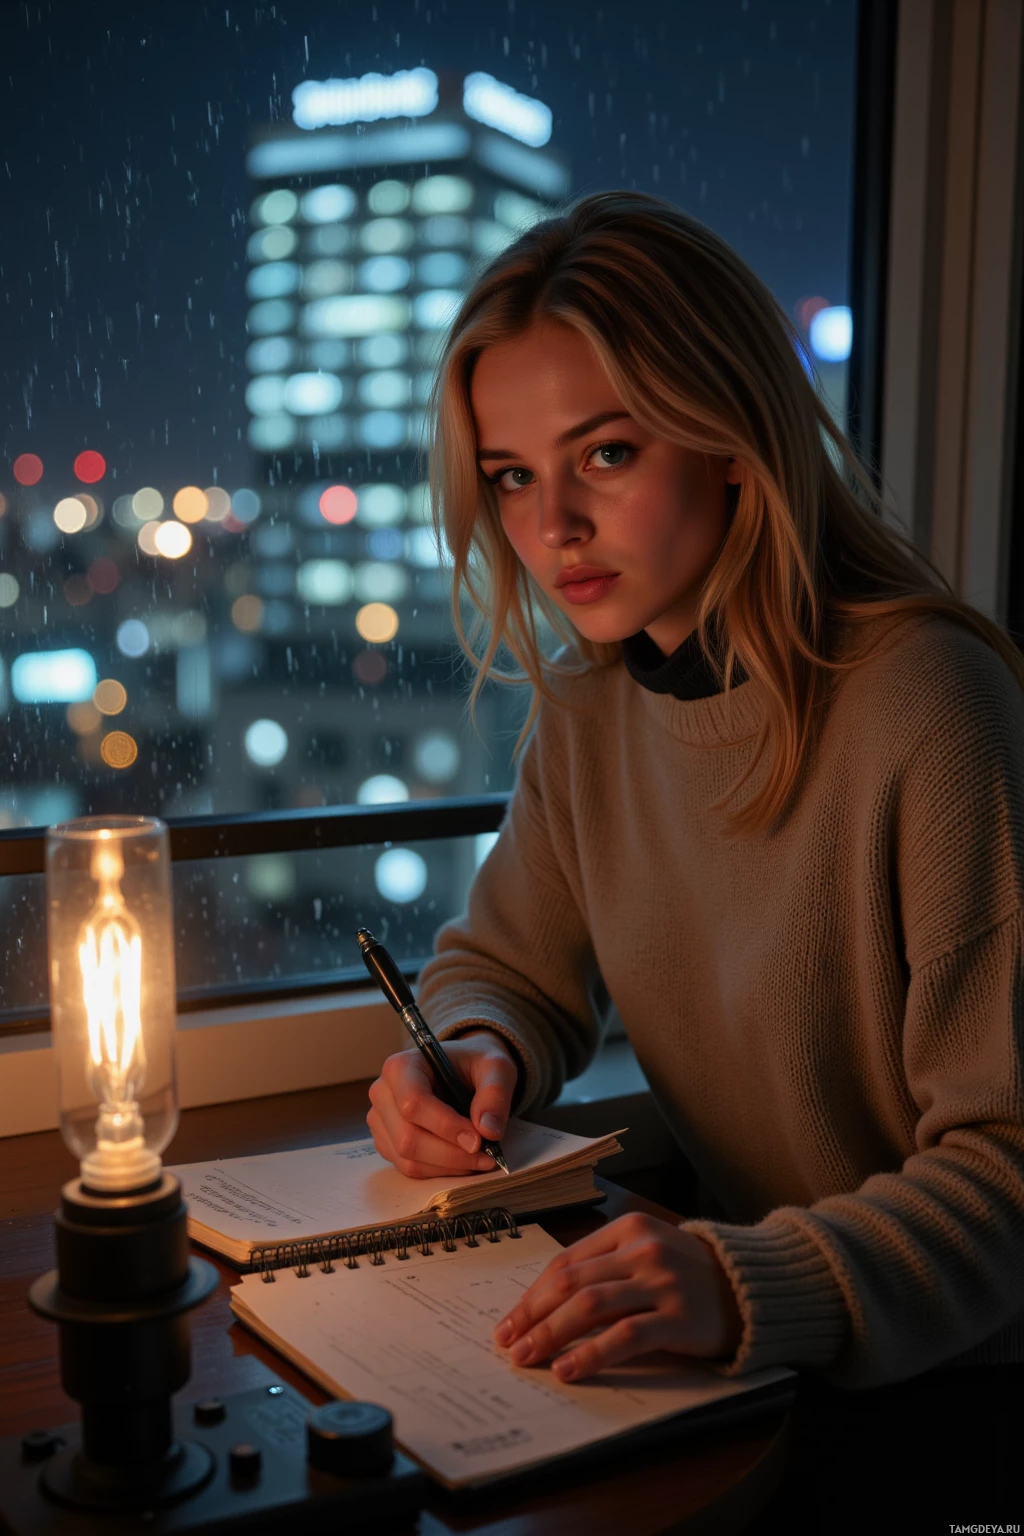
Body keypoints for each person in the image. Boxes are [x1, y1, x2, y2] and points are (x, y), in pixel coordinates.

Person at [365, 190, 1024, 1523]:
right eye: (510, 475)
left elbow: (1012, 1169)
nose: (548, 528)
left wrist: (743, 1281)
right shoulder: (594, 704)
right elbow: (508, 963)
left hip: (960, 1395)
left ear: (733, 443)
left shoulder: (928, 705)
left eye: (603, 455)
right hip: (750, 1361)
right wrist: (471, 1052)